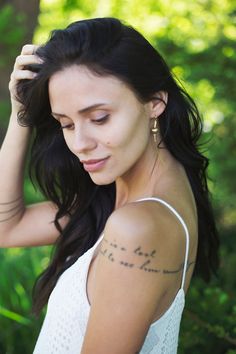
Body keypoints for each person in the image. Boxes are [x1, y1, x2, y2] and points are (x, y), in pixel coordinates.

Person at [0, 17, 219, 354]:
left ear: (155, 103)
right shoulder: (120, 199)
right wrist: (21, 115)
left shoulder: (137, 228)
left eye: (99, 118)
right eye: (66, 124)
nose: (80, 143)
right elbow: (7, 229)